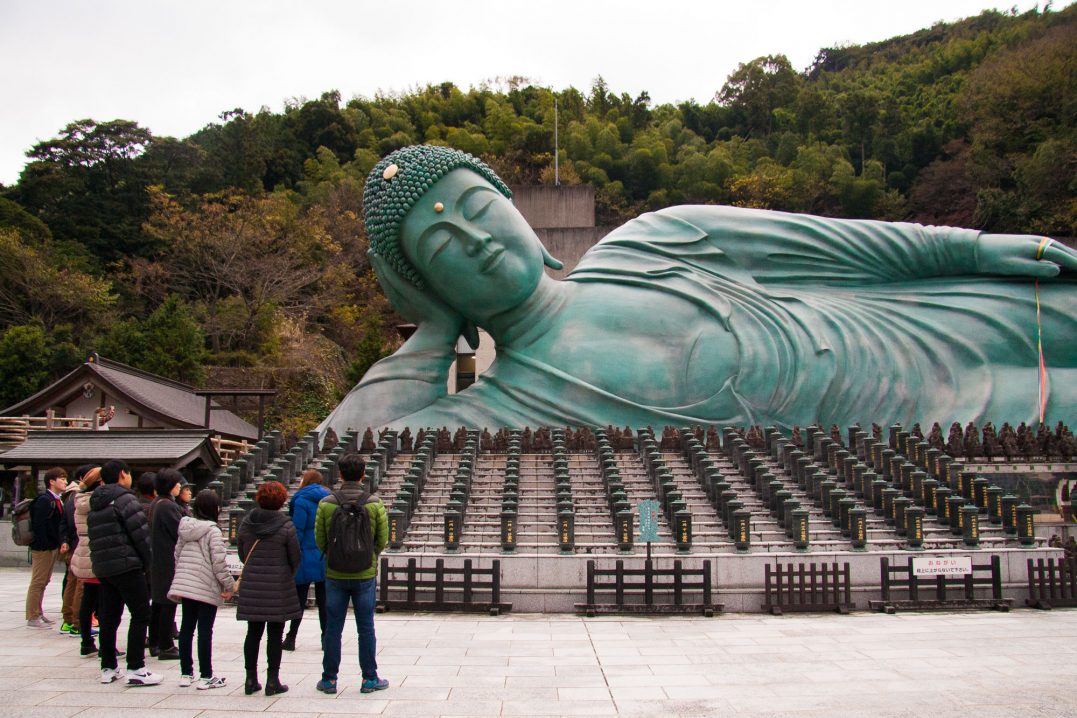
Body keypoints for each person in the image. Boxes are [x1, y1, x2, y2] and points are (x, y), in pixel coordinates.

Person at [320, 145, 1076, 434]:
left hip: (929, 321)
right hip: (935, 423)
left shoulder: (655, 239)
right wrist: (428, 334)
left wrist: (972, 249)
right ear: (424, 285)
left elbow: (844, 241)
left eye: (482, 211)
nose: (477, 241)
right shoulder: (506, 405)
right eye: (442, 249)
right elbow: (350, 452)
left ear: (516, 210)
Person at [314, 453, 389, 695]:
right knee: (365, 627)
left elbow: (320, 540)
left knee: (333, 627)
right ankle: (369, 678)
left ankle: (329, 679)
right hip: (364, 573)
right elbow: (382, 539)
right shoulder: (374, 503)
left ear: (340, 474)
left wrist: (336, 555)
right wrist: (367, 556)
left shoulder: (326, 503)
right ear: (363, 474)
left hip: (335, 573)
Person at [87, 459, 161, 686]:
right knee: (141, 614)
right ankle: (136, 667)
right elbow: (140, 534)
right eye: (129, 474)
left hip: (104, 567)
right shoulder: (125, 499)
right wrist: (148, 563)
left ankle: (108, 666)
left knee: (110, 616)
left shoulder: (97, 502)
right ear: (122, 474)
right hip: (127, 565)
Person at [236, 480, 301, 696]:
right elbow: (295, 557)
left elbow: (242, 553)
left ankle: (250, 679)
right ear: (281, 500)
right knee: (275, 633)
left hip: (253, 583)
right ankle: (273, 680)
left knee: (253, 632)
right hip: (277, 584)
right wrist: (284, 573)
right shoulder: (286, 525)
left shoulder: (247, 523)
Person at [168, 489, 235, 690]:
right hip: (205, 586)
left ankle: (186, 673)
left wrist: (184, 576)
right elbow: (219, 563)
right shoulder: (213, 531)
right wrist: (229, 585)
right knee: (205, 630)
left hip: (187, 585)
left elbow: (177, 555)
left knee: (187, 629)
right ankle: (206, 675)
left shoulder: (185, 527)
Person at [284, 468, 331, 652]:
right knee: (324, 600)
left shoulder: (301, 500)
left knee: (299, 599)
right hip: (323, 554)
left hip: (304, 555)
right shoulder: (328, 499)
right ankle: (326, 638)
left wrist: (292, 554)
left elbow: (297, 531)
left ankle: (291, 636)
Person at [148, 470, 185, 660]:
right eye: (178, 483)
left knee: (158, 604)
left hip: (158, 558)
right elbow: (181, 531)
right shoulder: (168, 507)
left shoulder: (157, 503)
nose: (180, 486)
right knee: (167, 603)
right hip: (167, 558)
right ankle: (165, 644)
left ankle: (154, 641)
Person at [25, 467, 68, 628]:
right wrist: (44, 545)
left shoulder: (57, 499)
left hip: (51, 546)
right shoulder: (44, 500)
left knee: (44, 580)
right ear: (52, 481)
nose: (65, 482)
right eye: (62, 479)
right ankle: (32, 616)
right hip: (43, 548)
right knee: (38, 581)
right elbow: (39, 525)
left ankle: (38, 611)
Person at [70, 466, 103, 658]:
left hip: (83, 552)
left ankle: (86, 642)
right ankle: (106, 644)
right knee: (104, 602)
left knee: (88, 600)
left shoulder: (79, 500)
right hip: (99, 553)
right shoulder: (99, 501)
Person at [59, 469, 86, 635]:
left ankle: (68, 619)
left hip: (72, 546)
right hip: (81, 546)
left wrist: (65, 541)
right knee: (80, 585)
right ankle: (78, 622)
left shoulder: (70, 498)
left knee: (71, 583)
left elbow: (63, 524)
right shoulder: (81, 498)